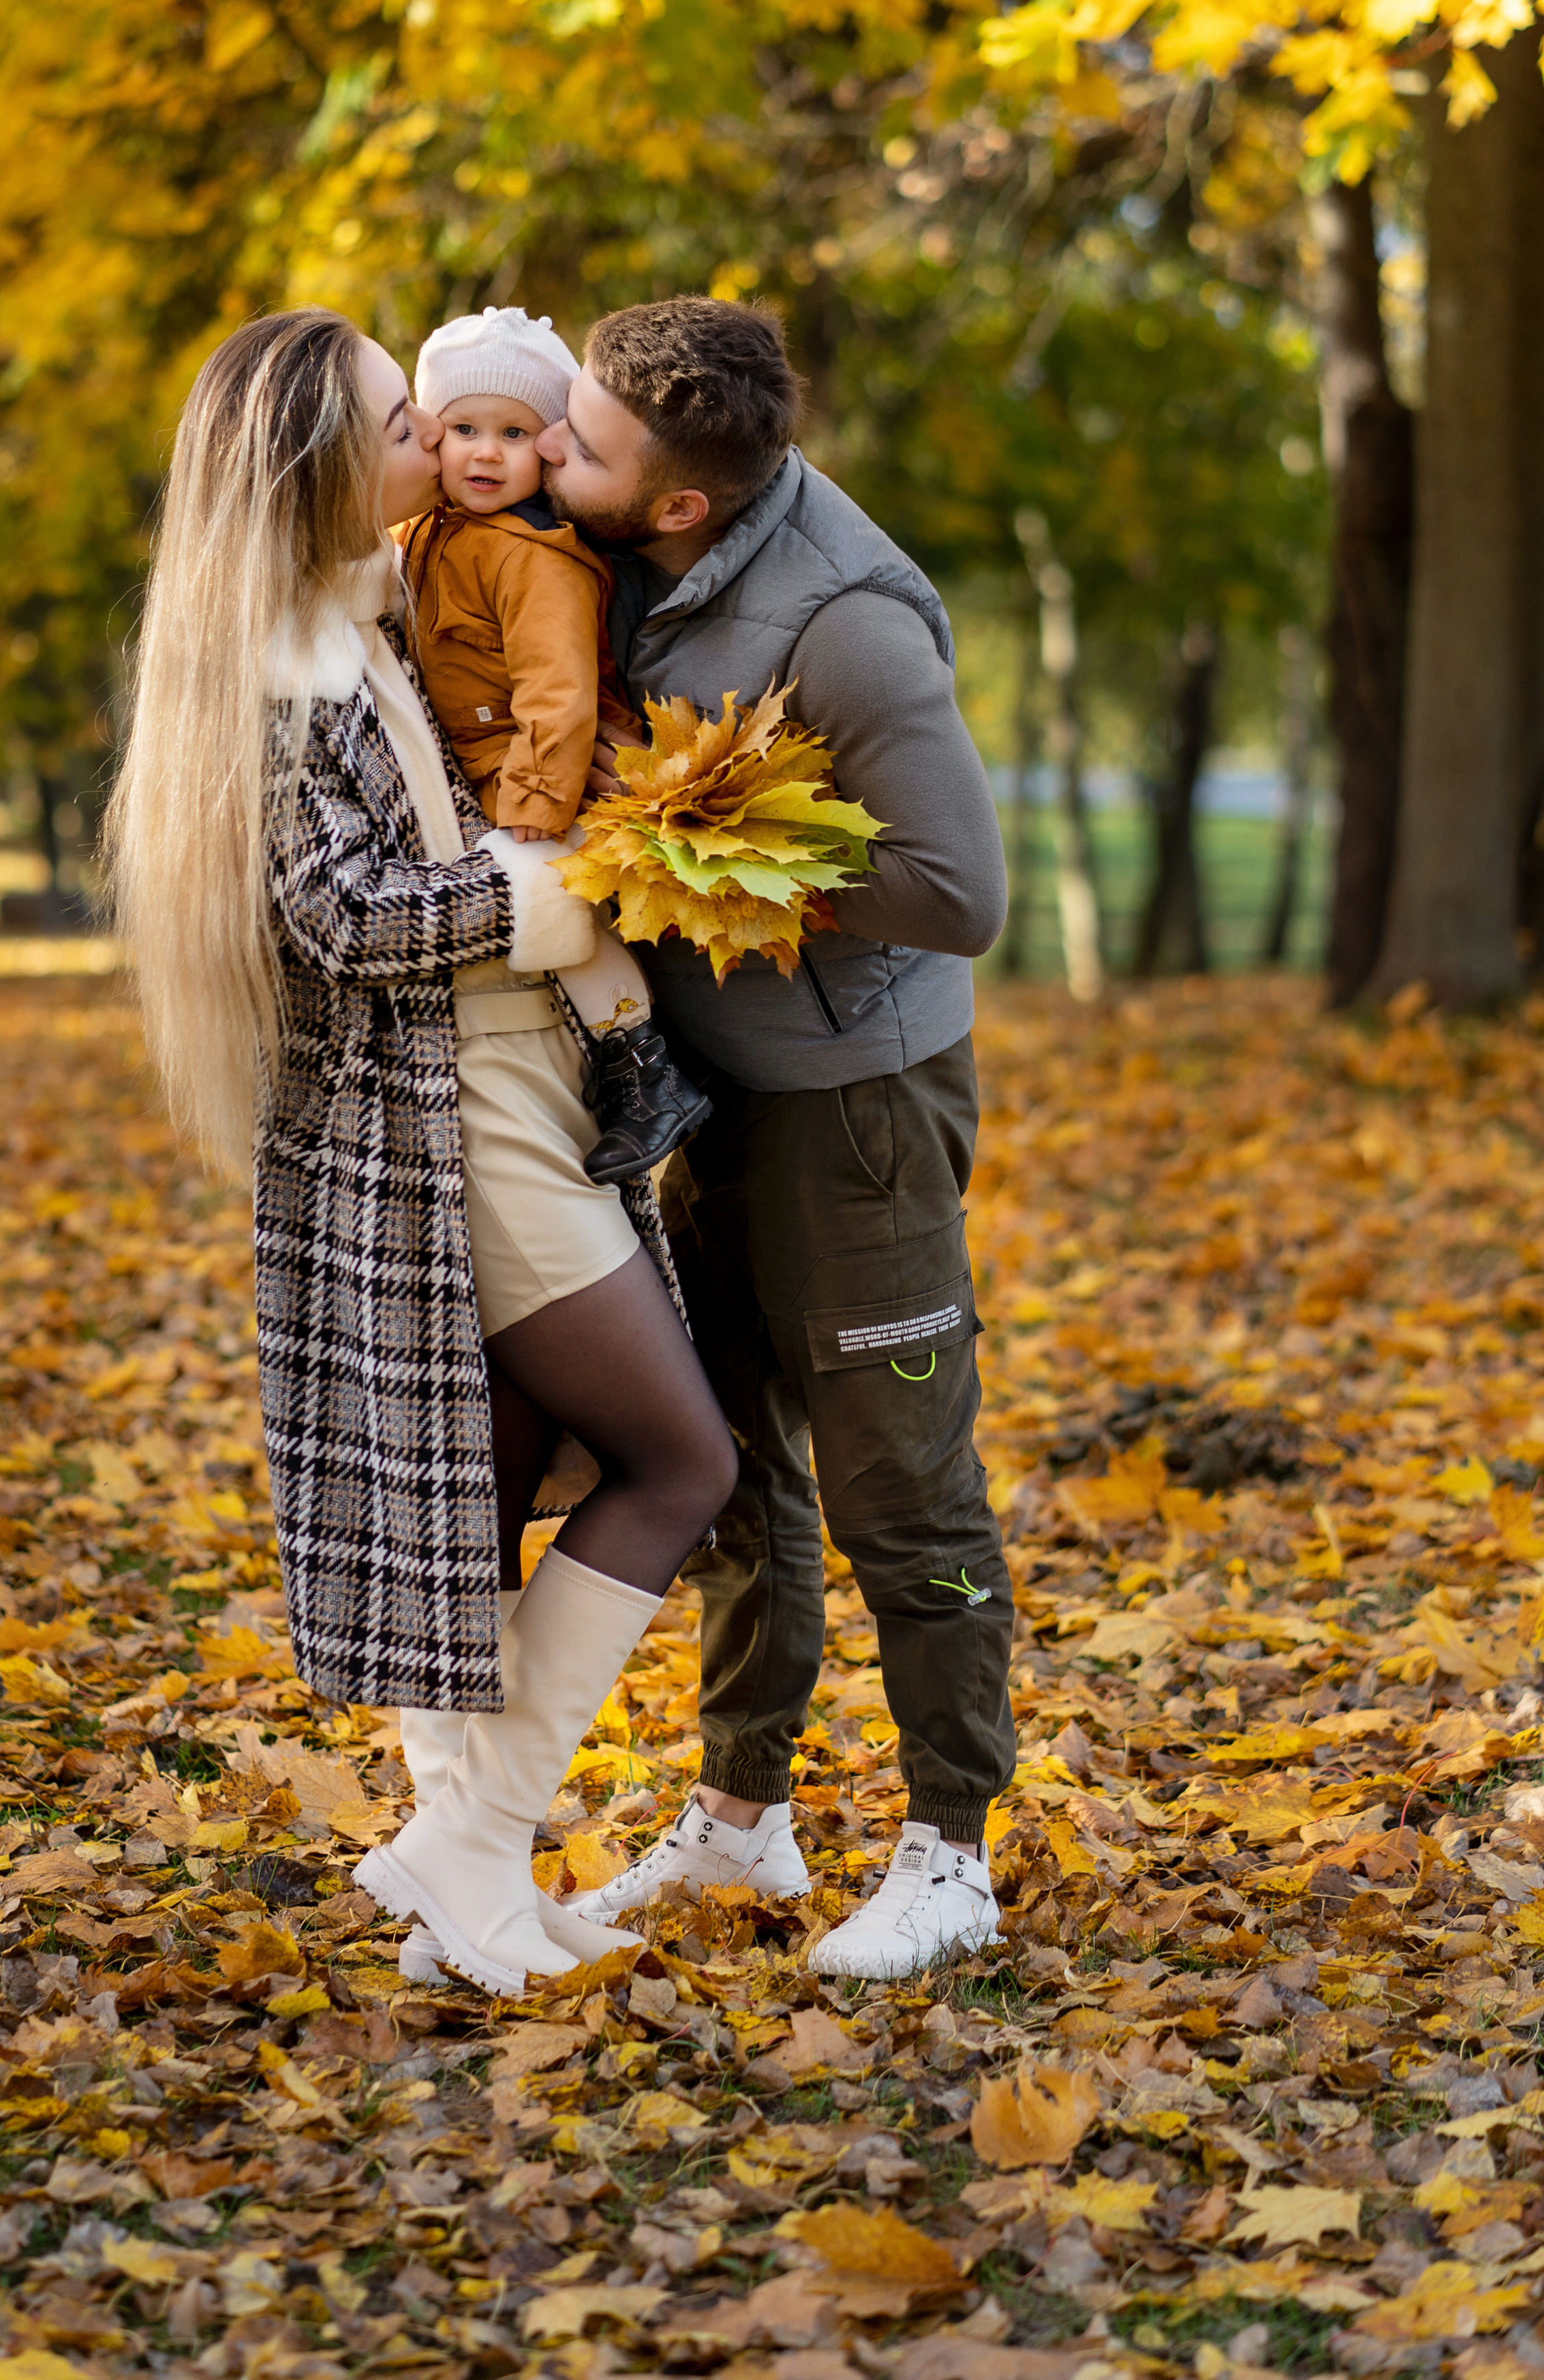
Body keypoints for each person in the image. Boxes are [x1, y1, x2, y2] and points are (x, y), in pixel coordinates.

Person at [104, 305, 737, 1998]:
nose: (435, 446)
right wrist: (566, 893)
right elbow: (336, 914)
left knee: (486, 1497)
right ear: (321, 466)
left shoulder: (367, 608)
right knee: (681, 1460)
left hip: (505, 1096)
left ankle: (477, 1872)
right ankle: (464, 1845)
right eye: (404, 423)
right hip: (443, 1129)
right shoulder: (271, 671)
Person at [539, 295, 1014, 1980]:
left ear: (679, 504)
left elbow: (960, 894)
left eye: (578, 444)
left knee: (904, 1490)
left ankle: (951, 1851)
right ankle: (742, 1823)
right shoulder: (624, 542)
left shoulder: (850, 624)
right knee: (731, 1471)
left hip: (855, 1108)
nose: (547, 451)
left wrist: (705, 844)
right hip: (710, 1094)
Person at [398, 304, 712, 1184]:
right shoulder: (429, 530)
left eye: (515, 432)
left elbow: (560, 689)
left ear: (551, 444)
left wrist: (539, 803)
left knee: (558, 910)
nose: (486, 453)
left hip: (545, 776)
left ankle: (642, 1063)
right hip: (485, 771)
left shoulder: (535, 554)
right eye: (464, 429)